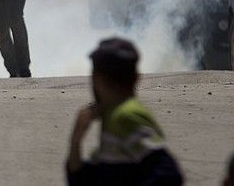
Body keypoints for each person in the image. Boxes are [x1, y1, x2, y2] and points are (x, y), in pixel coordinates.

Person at [66, 37, 184, 185]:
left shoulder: (126, 115)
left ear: (97, 79)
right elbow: (83, 179)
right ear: (136, 78)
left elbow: (168, 174)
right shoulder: (111, 116)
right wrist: (76, 141)